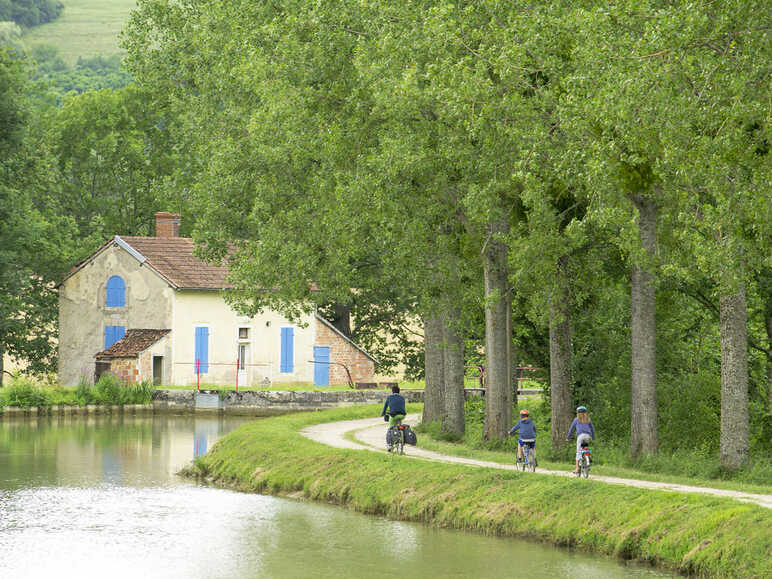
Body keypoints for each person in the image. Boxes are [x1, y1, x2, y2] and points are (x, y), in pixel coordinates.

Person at [566, 405, 595, 473]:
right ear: (585, 413)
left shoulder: (576, 419)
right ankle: (588, 456)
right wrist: (593, 437)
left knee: (578, 452)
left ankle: (576, 468)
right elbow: (592, 429)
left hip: (580, 436)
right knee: (584, 447)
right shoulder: (588, 419)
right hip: (588, 436)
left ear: (577, 413)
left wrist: (568, 437)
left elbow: (571, 429)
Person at [381, 385, 406, 450]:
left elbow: (385, 407)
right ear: (399, 392)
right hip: (402, 415)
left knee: (390, 429)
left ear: (392, 391)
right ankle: (401, 435)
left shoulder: (389, 397)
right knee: (399, 425)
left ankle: (389, 445)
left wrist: (383, 413)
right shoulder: (402, 398)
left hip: (393, 415)